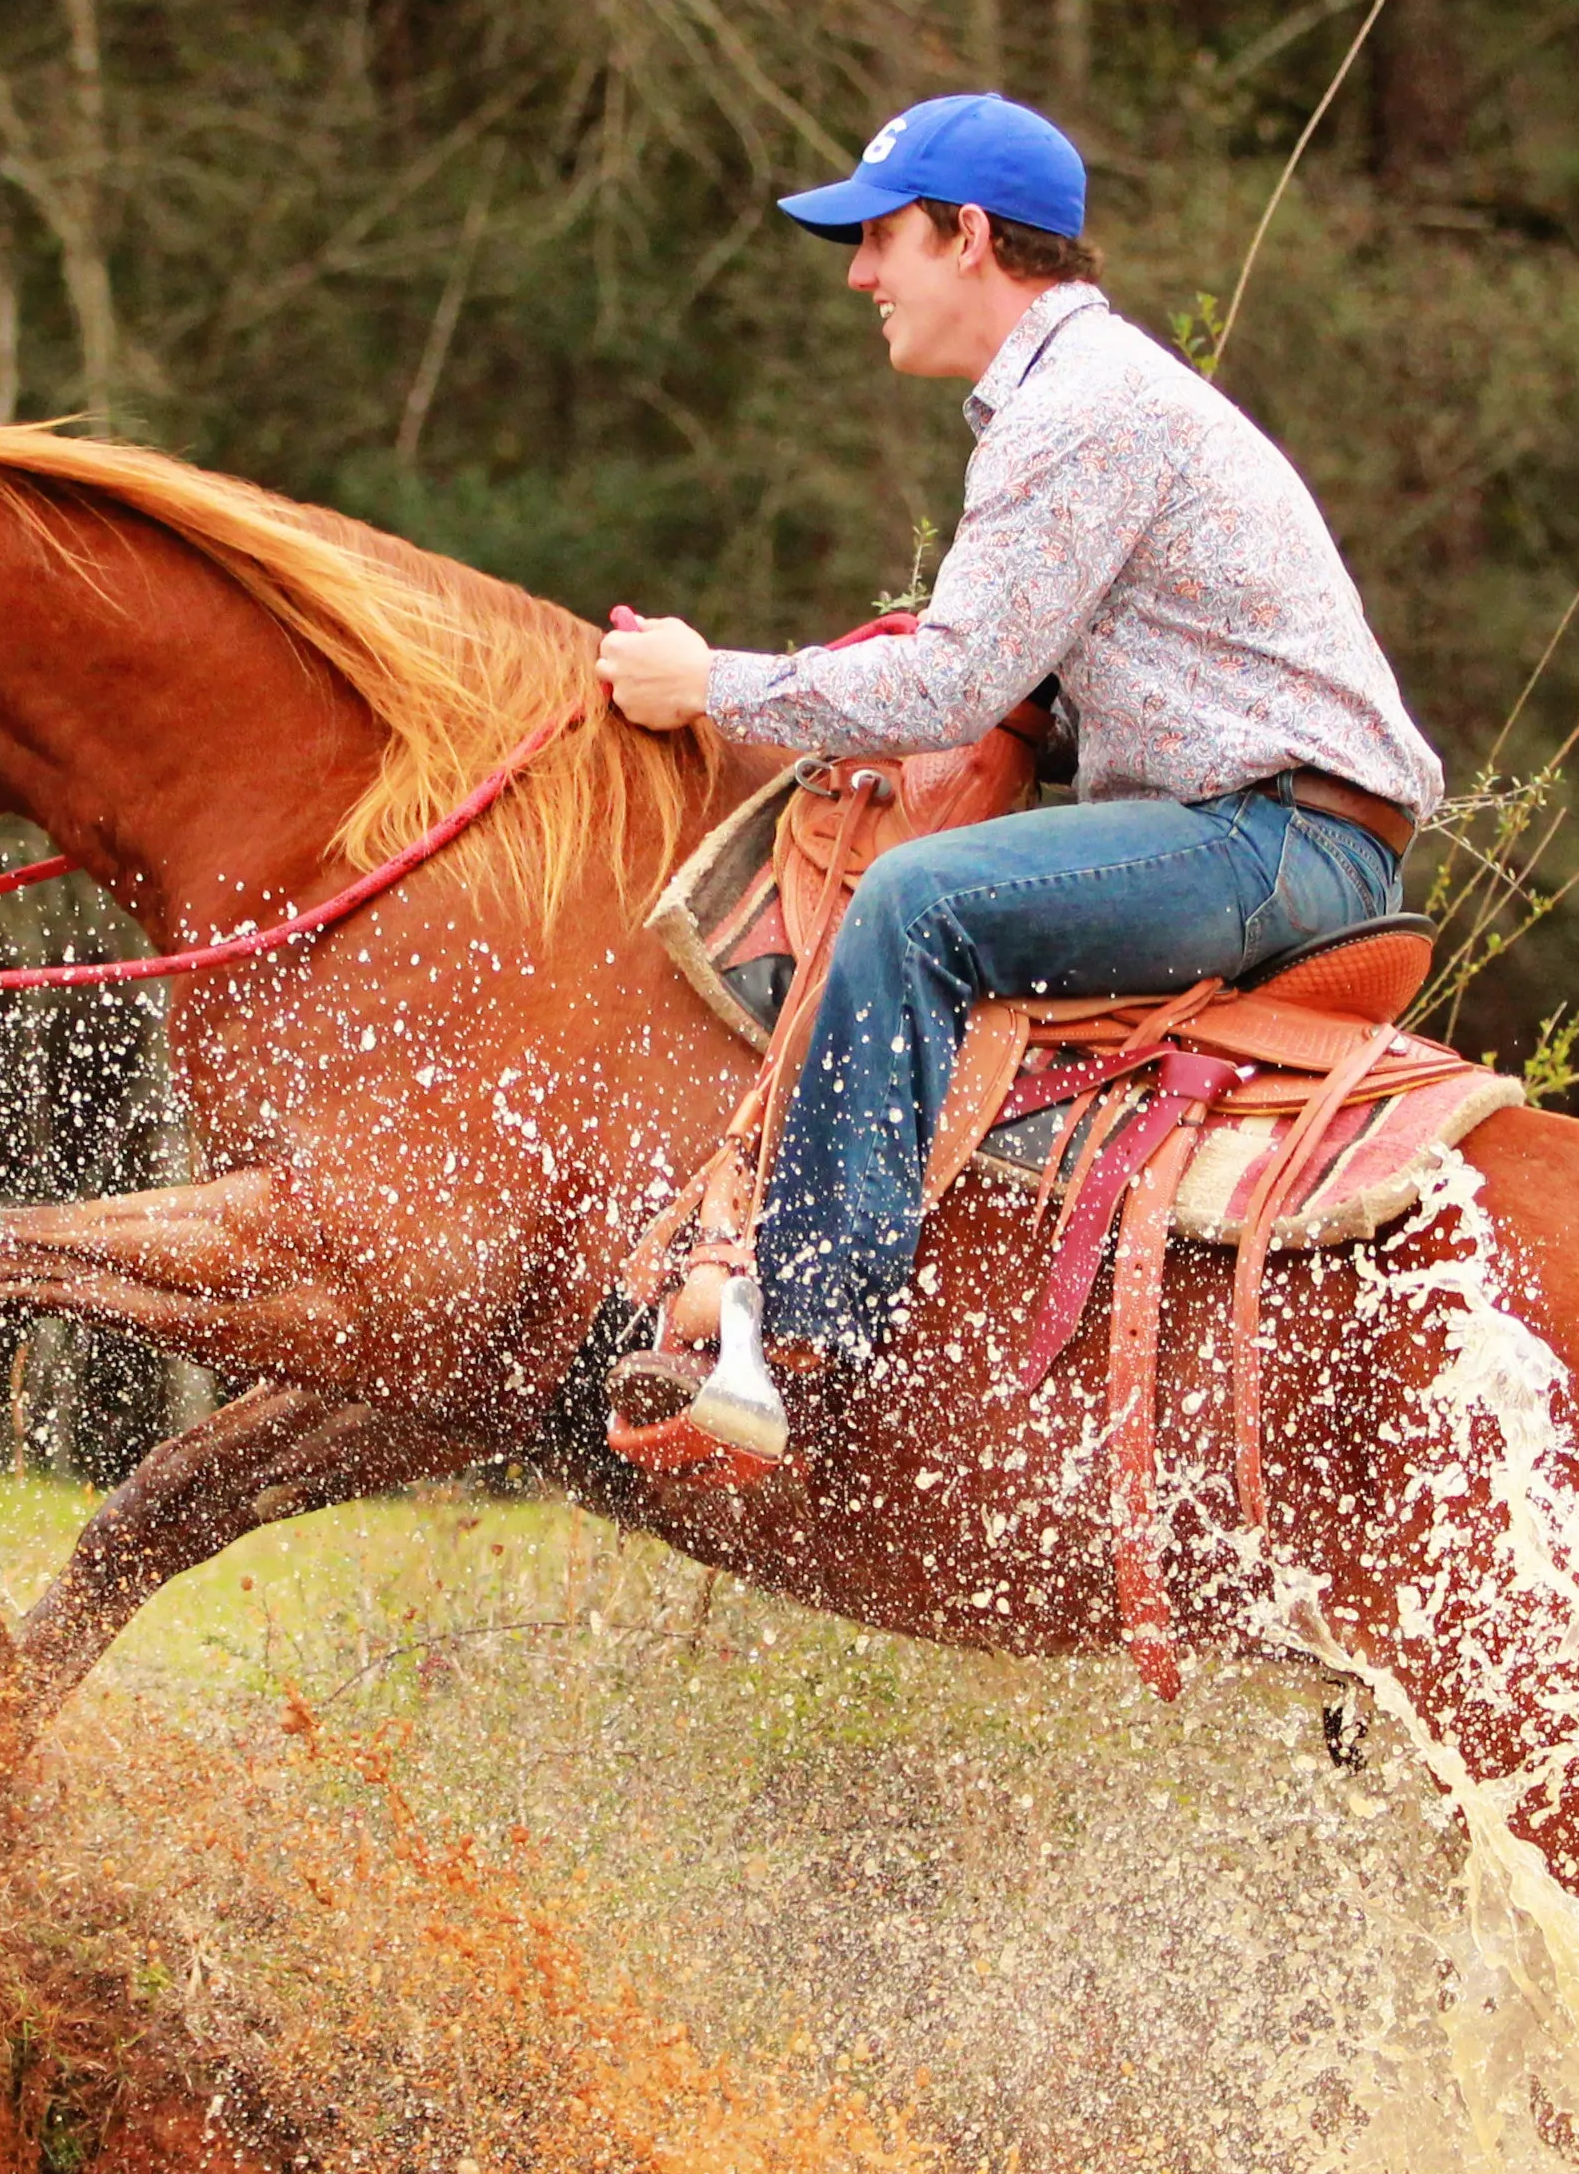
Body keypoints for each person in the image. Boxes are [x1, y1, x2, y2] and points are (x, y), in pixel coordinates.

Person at [595, 91, 1442, 1459]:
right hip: (1268, 828)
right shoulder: (1088, 397)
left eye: (882, 241)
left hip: (1272, 840)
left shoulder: (1083, 411)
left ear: (970, 237)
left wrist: (716, 686)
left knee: (915, 904)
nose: (863, 275)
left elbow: (950, 685)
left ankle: (791, 1347)